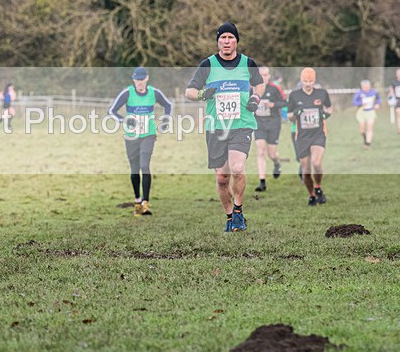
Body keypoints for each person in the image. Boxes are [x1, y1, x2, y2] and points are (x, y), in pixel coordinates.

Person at [185, 22, 264, 232]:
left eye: (230, 38)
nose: (226, 41)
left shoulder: (248, 63)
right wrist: (203, 94)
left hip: (242, 124)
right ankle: (229, 217)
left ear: (236, 40)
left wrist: (256, 97)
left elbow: (260, 83)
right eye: (223, 38)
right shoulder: (207, 65)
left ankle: (238, 212)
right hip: (216, 127)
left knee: (238, 168)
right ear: (218, 41)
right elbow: (189, 91)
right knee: (222, 178)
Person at [108, 67, 172, 216]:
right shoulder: (127, 93)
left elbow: (168, 105)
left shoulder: (154, 93)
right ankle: (137, 201)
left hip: (148, 135)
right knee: (135, 169)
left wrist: (165, 120)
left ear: (147, 79)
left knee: (145, 165)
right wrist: (125, 121)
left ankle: (145, 203)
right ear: (133, 80)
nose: (140, 83)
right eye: (137, 80)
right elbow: (111, 111)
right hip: (131, 137)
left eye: (142, 80)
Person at [287, 68, 332, 206]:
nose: (308, 84)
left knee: (317, 163)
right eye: (305, 81)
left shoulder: (321, 93)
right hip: (302, 136)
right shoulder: (294, 95)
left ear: (315, 80)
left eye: (311, 81)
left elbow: (329, 108)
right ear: (301, 80)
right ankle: (311, 195)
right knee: (306, 170)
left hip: (318, 133)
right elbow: (289, 116)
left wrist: (325, 115)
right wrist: (296, 112)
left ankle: (317, 186)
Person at [253, 66, 286, 191]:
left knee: (271, 153)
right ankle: (262, 182)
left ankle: (277, 163)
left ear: (269, 76)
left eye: (266, 75)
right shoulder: (252, 89)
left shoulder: (275, 88)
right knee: (260, 151)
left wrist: (273, 104)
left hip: (273, 123)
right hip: (259, 124)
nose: (263, 77)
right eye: (261, 75)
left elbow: (285, 102)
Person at [352, 79, 381, 148]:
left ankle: (368, 143)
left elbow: (378, 99)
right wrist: (361, 103)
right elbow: (354, 102)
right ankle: (365, 138)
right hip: (361, 112)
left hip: (370, 112)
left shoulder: (374, 92)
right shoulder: (359, 93)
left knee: (370, 127)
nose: (366, 88)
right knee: (362, 130)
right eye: (364, 87)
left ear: (370, 86)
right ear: (361, 87)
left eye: (367, 87)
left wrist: (377, 104)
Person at [389, 68, 400, 135]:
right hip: (398, 100)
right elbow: (391, 91)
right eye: (398, 73)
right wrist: (391, 98)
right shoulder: (394, 82)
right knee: (399, 113)